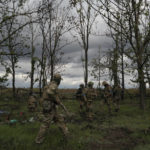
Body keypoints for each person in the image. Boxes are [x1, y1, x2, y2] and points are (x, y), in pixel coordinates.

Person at [35, 74, 69, 144]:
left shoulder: (49, 84)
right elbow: (49, 92)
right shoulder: (54, 85)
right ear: (58, 80)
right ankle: (38, 141)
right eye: (60, 80)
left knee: (60, 120)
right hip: (49, 107)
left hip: (51, 106)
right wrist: (57, 100)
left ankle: (67, 135)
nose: (60, 81)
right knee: (45, 124)